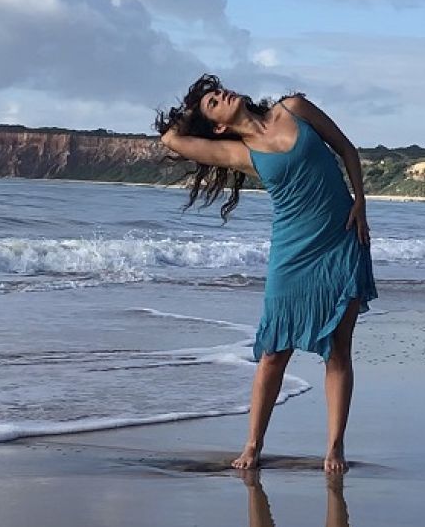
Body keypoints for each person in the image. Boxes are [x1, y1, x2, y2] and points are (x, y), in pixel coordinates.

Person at [155, 74, 377, 474]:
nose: (219, 95)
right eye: (212, 103)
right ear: (218, 126)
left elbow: (346, 148)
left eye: (217, 92)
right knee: (274, 352)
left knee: (339, 349)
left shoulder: (294, 108)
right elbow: (171, 140)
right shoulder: (242, 153)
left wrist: (361, 202)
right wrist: (192, 112)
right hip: (292, 252)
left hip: (341, 239)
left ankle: (334, 449)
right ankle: (253, 445)